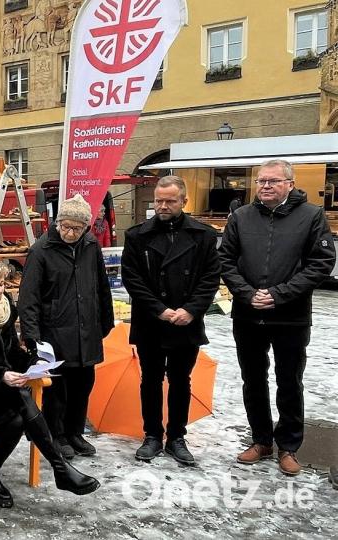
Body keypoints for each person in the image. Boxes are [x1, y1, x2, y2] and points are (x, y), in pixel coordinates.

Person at [0, 256, 100, 508]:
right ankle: (60, 469)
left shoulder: (4, 309)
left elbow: (12, 352)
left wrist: (34, 366)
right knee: (20, 398)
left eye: (2, 283)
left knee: (16, 415)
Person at [219, 159, 335, 476]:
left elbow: (321, 262)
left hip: (291, 317)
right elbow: (225, 259)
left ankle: (288, 446)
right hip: (248, 315)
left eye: (273, 181)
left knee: (289, 382)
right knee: (253, 380)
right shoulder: (241, 216)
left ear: (289, 184)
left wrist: (279, 294)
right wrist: (246, 292)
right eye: (261, 181)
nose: (265, 186)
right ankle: (261, 440)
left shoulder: (311, 215)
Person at [121, 176, 220, 466]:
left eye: (170, 201)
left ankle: (177, 437)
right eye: (159, 200)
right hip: (152, 321)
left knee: (180, 381)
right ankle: (152, 435)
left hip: (186, 322)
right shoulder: (138, 235)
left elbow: (210, 278)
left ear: (183, 201)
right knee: (150, 381)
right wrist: (159, 310)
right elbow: (133, 278)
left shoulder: (202, 236)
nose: (162, 206)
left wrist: (191, 310)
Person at [17, 194, 114, 459]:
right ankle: (56, 435)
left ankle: (74, 433)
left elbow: (101, 285)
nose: (70, 232)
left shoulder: (91, 245)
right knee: (58, 389)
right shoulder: (41, 250)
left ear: (86, 228)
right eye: (65, 226)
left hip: (87, 328)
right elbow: (28, 299)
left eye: (76, 228)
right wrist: (32, 338)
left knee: (84, 383)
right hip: (55, 332)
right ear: (58, 223)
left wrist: (106, 321)